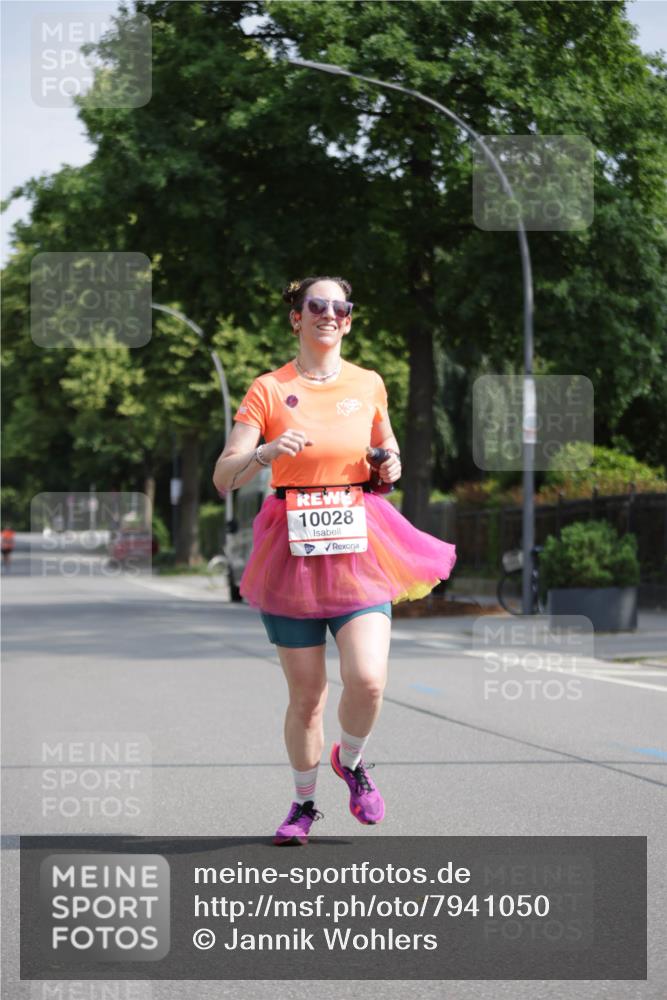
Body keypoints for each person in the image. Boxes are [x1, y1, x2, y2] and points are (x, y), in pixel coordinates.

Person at [212, 275, 456, 846]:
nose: (328, 314)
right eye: (315, 306)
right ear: (296, 317)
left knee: (368, 680)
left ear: (348, 319)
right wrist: (266, 452)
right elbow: (225, 476)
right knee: (308, 696)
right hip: (291, 548)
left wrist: (388, 464)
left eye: (339, 307)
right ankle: (302, 806)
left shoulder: (368, 383)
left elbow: (386, 446)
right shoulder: (268, 389)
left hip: (359, 542)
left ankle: (353, 760)